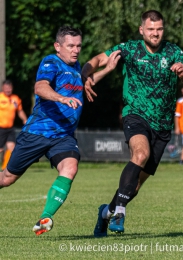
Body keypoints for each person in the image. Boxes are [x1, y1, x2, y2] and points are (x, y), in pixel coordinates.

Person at [81, 10, 183, 237]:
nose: (155, 34)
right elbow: (96, 60)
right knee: (140, 154)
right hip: (134, 115)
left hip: (163, 125)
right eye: (151, 29)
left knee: (134, 186)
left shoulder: (175, 52)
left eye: (159, 29)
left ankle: (106, 212)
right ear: (141, 30)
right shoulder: (129, 49)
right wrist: (86, 75)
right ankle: (120, 212)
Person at [0, 25, 120, 236]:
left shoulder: (76, 66)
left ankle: (45, 219)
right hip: (38, 133)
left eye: (79, 46)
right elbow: (41, 87)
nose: (76, 50)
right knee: (7, 178)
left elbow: (85, 84)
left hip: (63, 136)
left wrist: (107, 69)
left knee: (70, 168)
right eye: (70, 46)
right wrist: (61, 98)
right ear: (58, 46)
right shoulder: (50, 62)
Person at [0, 80, 27, 170]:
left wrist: (25, 119)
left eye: (10, 88)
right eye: (6, 88)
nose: (8, 90)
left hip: (10, 128)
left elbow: (19, 111)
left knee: (11, 148)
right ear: (3, 88)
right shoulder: (0, 98)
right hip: (1, 128)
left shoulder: (15, 98)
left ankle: (4, 168)